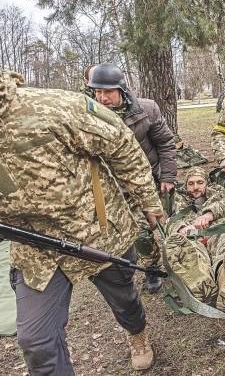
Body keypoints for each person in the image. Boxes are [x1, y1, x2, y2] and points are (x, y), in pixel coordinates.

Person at [0, 39, 164, 373]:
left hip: (100, 234)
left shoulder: (50, 109)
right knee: (37, 342)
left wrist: (147, 200)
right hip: (34, 249)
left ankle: (137, 334)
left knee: (126, 302)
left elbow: (121, 146)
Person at [88, 63, 176, 294]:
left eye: (108, 92)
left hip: (147, 179)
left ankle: (171, 262)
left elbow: (166, 143)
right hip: (113, 185)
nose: (102, 97)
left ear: (122, 90)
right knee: (139, 232)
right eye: (97, 92)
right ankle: (152, 268)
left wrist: (167, 175)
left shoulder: (146, 109)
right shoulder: (88, 116)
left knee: (156, 223)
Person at [164, 167, 225, 313]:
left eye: (200, 182)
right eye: (191, 184)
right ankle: (202, 279)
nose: (195, 187)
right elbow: (171, 220)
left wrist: (209, 214)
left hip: (217, 230)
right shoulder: (179, 199)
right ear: (185, 186)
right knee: (189, 252)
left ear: (207, 183)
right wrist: (180, 229)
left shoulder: (218, 191)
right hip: (192, 235)